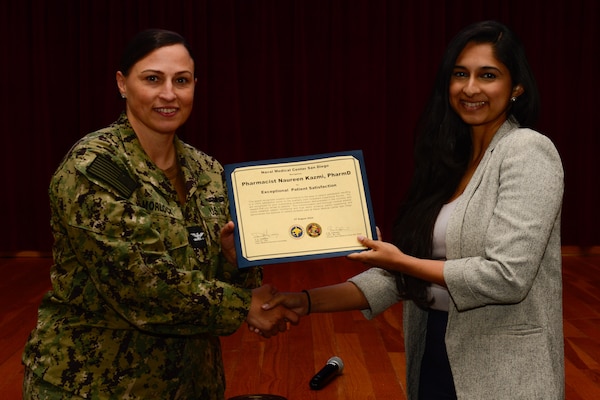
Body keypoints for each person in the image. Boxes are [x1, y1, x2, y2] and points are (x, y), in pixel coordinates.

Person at [260, 20, 564, 399]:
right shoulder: (448, 162)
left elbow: (506, 277)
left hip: (504, 369)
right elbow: (399, 276)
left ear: (515, 87)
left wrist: (400, 262)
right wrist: (304, 301)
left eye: (488, 75)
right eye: (459, 74)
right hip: (434, 350)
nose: (471, 88)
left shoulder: (527, 150)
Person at [22, 29, 297, 400]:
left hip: (193, 383)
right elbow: (141, 286)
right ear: (122, 84)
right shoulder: (93, 166)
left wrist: (237, 261)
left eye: (181, 81)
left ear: (194, 86)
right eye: (153, 79)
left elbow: (224, 277)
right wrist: (244, 306)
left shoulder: (208, 170)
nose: (169, 94)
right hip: (95, 385)